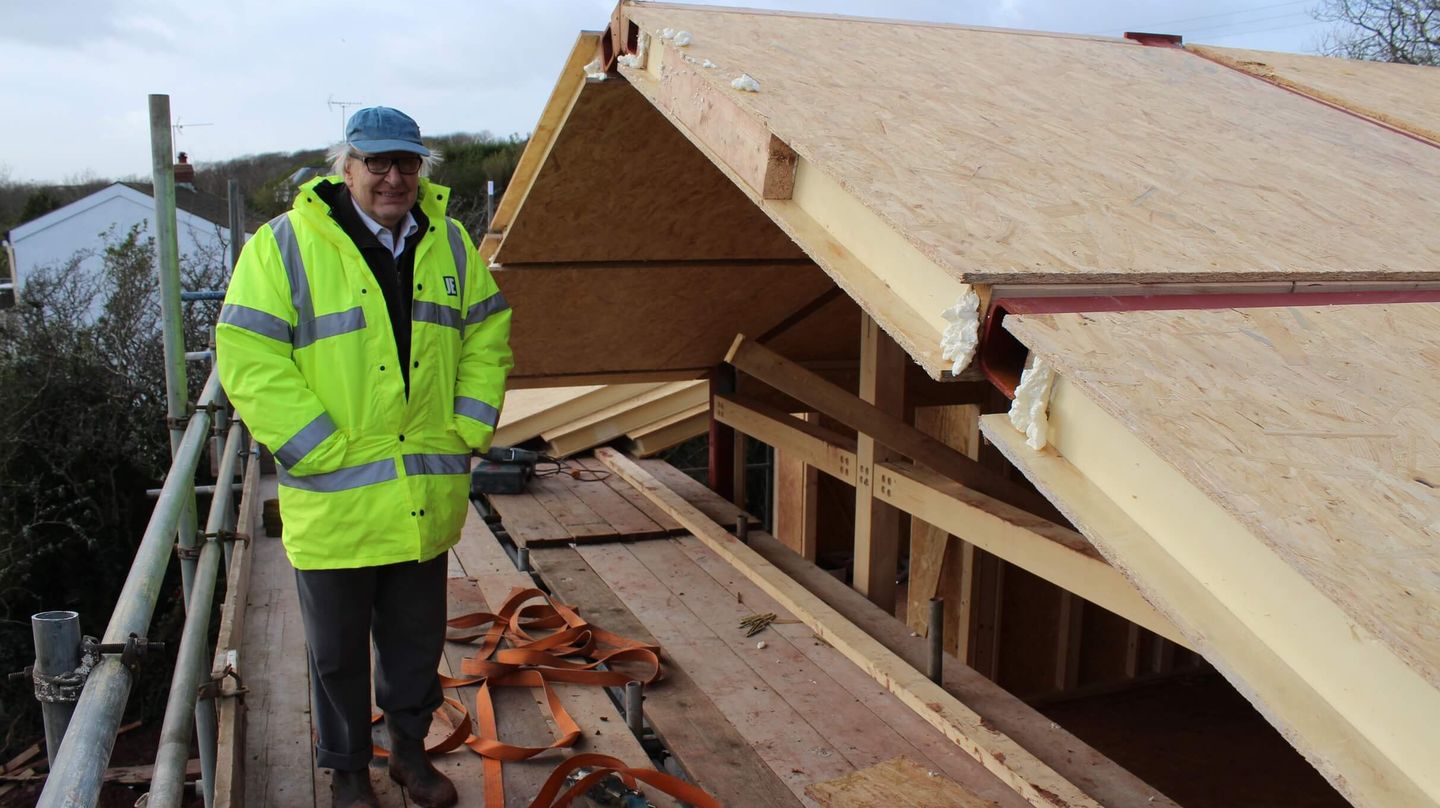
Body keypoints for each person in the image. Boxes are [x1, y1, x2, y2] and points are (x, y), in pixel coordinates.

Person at [216, 106, 512, 808]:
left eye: (406, 163)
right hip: (337, 499)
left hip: (421, 497)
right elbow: (250, 357)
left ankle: (409, 757)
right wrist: (317, 447)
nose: (392, 176)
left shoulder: (452, 243)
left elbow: (488, 335)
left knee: (415, 643)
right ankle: (348, 773)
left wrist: (468, 428)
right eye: (376, 162)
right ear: (344, 168)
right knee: (337, 654)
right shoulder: (283, 245)